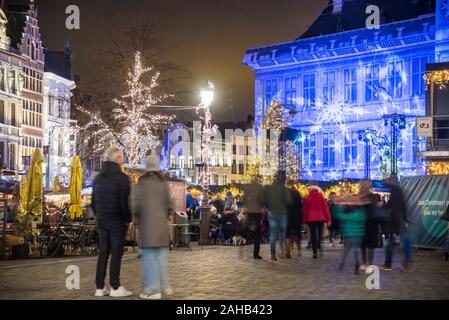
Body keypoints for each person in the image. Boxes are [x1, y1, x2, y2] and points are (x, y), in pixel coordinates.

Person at [92, 145, 132, 297]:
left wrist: (99, 216)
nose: (123, 158)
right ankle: (115, 287)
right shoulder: (122, 178)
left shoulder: (98, 178)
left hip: (102, 221)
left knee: (103, 254)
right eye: (122, 156)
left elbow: (93, 203)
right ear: (117, 159)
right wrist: (127, 220)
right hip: (117, 221)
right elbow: (123, 202)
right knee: (116, 253)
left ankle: (99, 288)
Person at [132, 154, 174, 300]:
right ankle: (164, 285)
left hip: (148, 228)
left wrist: (137, 218)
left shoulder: (142, 183)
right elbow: (170, 204)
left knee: (149, 260)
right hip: (162, 229)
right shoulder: (163, 183)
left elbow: (136, 205)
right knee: (161, 259)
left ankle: (153, 290)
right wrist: (167, 214)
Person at [334, 182, 369, 274]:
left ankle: (341, 265)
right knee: (356, 251)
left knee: (346, 251)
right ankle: (356, 266)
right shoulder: (361, 214)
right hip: (358, 235)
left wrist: (338, 206)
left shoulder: (348, 215)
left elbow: (339, 216)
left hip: (349, 235)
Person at [380, 176, 409, 272]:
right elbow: (402, 205)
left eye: (389, 181)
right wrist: (405, 218)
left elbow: (392, 204)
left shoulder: (395, 190)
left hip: (396, 219)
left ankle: (388, 264)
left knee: (391, 243)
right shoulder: (398, 189)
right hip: (400, 218)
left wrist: (382, 207)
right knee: (402, 241)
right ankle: (405, 264)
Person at [261, 172, 291, 261]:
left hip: (272, 213)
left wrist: (268, 208)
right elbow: (289, 201)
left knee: (273, 234)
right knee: (282, 234)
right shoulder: (284, 189)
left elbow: (263, 200)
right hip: (282, 214)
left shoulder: (268, 188)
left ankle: (273, 254)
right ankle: (281, 250)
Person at [359, 182, 383, 273]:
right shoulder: (371, 197)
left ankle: (366, 263)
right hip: (370, 224)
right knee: (368, 245)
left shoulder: (361, 198)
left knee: (365, 244)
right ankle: (368, 264)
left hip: (366, 223)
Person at [303, 185, 331, 259]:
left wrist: (304, 221)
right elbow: (325, 208)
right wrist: (328, 219)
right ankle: (319, 246)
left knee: (313, 235)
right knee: (319, 233)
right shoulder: (321, 197)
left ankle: (314, 252)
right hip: (320, 217)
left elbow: (305, 210)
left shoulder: (307, 197)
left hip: (310, 218)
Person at [242, 182, 264, 259]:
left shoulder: (248, 189)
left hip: (250, 212)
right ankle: (256, 254)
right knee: (257, 233)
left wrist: (246, 206)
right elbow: (263, 200)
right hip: (257, 212)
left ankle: (248, 237)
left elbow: (244, 199)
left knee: (247, 227)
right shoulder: (260, 189)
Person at [286, 185, 302, 258]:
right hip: (296, 216)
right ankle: (298, 247)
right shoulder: (297, 193)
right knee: (297, 232)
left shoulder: (287, 194)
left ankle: (288, 251)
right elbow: (300, 205)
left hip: (288, 216)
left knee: (288, 234)